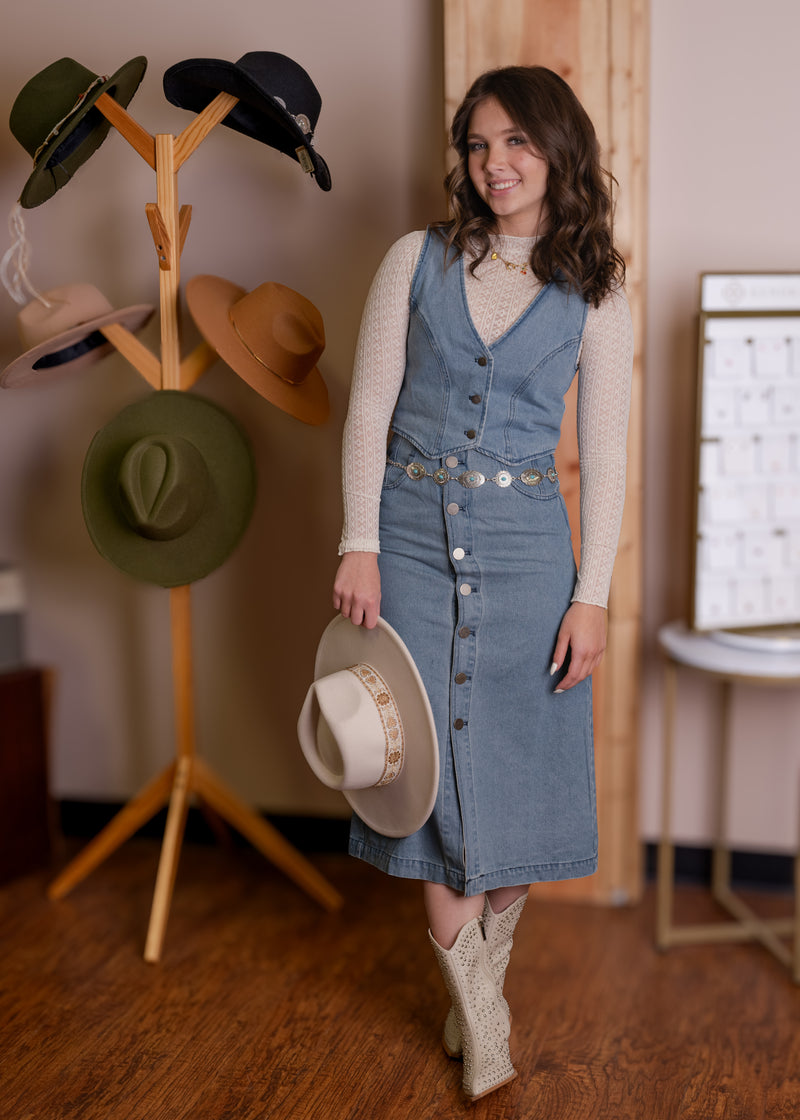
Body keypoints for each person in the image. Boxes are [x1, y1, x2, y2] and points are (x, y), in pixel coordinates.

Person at [333, 65, 634, 1102]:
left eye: (515, 142)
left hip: (526, 557)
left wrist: (589, 593)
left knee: (514, 782)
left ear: (557, 151)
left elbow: (606, 456)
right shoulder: (412, 259)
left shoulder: (596, 290)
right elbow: (368, 406)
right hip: (408, 542)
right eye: (477, 144)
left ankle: (476, 996)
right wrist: (356, 539)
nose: (494, 163)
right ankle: (485, 1014)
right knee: (426, 783)